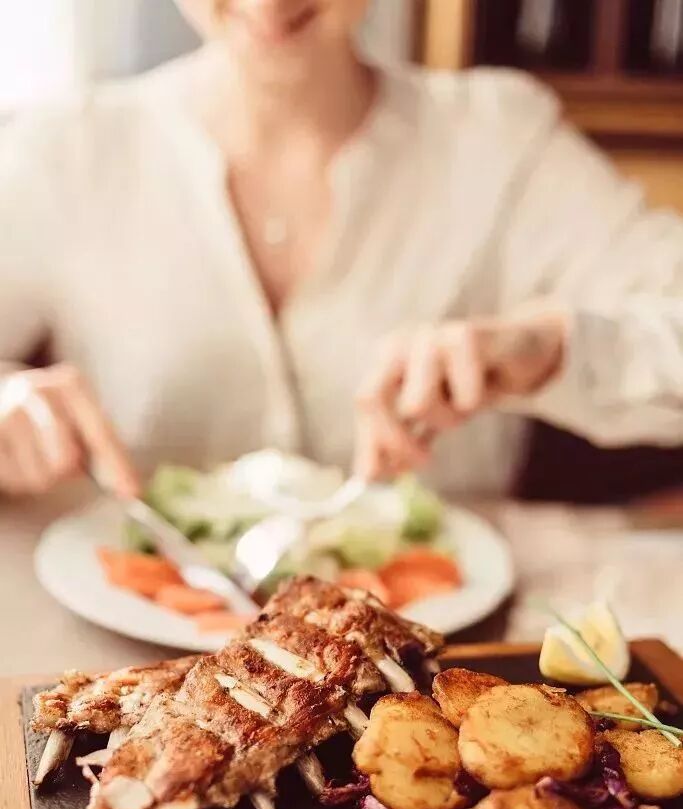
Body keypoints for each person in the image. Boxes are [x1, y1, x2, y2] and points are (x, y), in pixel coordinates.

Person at [0, 0, 681, 499]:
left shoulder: (499, 139)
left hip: (432, 644)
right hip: (100, 640)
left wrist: (548, 345)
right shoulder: (63, 150)